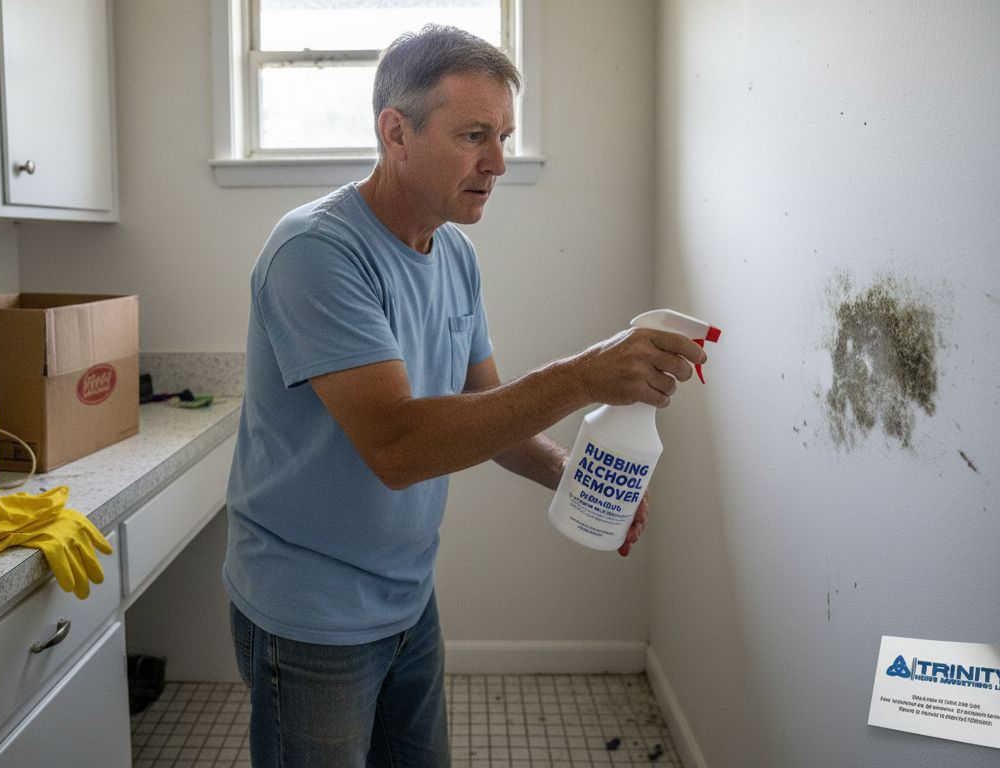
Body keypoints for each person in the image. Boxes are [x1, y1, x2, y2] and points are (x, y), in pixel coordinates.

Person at [224, 24, 706, 767]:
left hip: (408, 596)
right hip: (310, 612)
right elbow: (399, 446)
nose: (498, 163)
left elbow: (487, 413)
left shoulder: (452, 250)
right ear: (396, 132)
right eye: (475, 134)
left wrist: (571, 475)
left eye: (505, 135)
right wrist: (584, 375)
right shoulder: (316, 253)